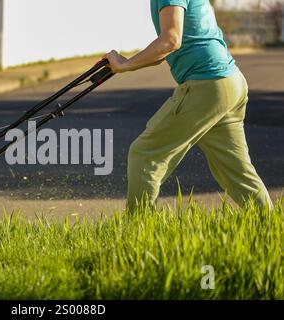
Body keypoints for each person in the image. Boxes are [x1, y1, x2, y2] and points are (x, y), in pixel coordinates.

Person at [102, 0, 273, 211]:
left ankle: (136, 233)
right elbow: (169, 46)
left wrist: (125, 65)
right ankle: (269, 223)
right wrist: (125, 64)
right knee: (236, 170)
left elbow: (171, 40)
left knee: (144, 155)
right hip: (229, 82)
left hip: (206, 84)